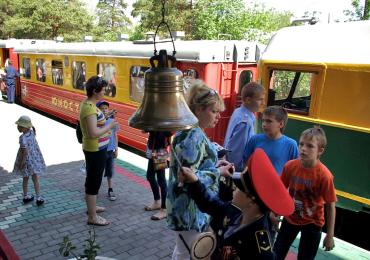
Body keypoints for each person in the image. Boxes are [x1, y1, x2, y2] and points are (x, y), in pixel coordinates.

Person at [179, 148, 295, 259]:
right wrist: (194, 182)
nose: (234, 188)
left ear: (251, 200)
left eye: (240, 188)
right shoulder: (236, 211)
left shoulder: (260, 247)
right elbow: (211, 204)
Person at [166, 80, 233, 260]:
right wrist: (220, 172)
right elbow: (188, 177)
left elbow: (194, 169)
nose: (218, 116)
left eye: (218, 111)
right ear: (198, 110)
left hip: (187, 206)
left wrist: (215, 166)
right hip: (190, 207)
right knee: (189, 252)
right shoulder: (193, 136)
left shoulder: (190, 131)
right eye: (214, 111)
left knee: (182, 248)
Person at [274, 126, 337, 260]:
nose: (303, 148)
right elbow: (279, 191)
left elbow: (330, 206)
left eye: (310, 146)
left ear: (320, 151)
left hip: (313, 223)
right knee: (277, 253)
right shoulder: (290, 166)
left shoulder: (325, 176)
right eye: (301, 144)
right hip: (290, 217)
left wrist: (330, 235)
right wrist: (274, 214)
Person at [79, 76, 118, 226]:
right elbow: (93, 133)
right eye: (103, 90)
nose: (104, 92)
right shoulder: (89, 107)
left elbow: (96, 121)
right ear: (95, 91)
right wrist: (110, 125)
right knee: (93, 182)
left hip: (98, 149)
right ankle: (92, 217)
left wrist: (106, 116)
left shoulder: (90, 104)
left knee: (93, 179)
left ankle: (92, 208)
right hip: (95, 150)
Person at [243, 105, 298, 175]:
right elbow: (246, 163)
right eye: (263, 120)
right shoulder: (254, 140)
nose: (264, 124)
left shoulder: (291, 144)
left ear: (281, 124)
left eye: (269, 121)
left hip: (276, 185)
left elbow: (295, 169)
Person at [224, 82, 265, 171]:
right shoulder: (245, 123)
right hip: (238, 169)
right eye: (260, 100)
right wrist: (239, 170)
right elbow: (237, 150)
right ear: (248, 100)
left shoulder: (239, 111)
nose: (263, 103)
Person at [13, 116, 46, 206]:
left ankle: (26, 196)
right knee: (35, 179)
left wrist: (21, 163)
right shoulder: (32, 133)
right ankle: (38, 197)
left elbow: (25, 152)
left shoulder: (22, 138)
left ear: (26, 127)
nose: (18, 127)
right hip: (34, 160)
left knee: (25, 179)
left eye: (20, 126)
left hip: (26, 162)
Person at [144, 131, 172, 221]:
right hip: (153, 149)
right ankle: (157, 201)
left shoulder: (165, 118)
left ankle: (164, 209)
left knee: (161, 180)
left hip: (160, 152)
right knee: (150, 176)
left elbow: (169, 132)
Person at [96, 100, 118, 201]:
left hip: (110, 150)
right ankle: (95, 190)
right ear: (98, 111)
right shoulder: (98, 122)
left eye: (106, 108)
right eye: (102, 109)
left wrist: (116, 149)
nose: (104, 110)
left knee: (110, 171)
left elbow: (115, 135)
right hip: (101, 150)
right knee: (98, 171)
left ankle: (110, 189)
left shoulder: (112, 121)